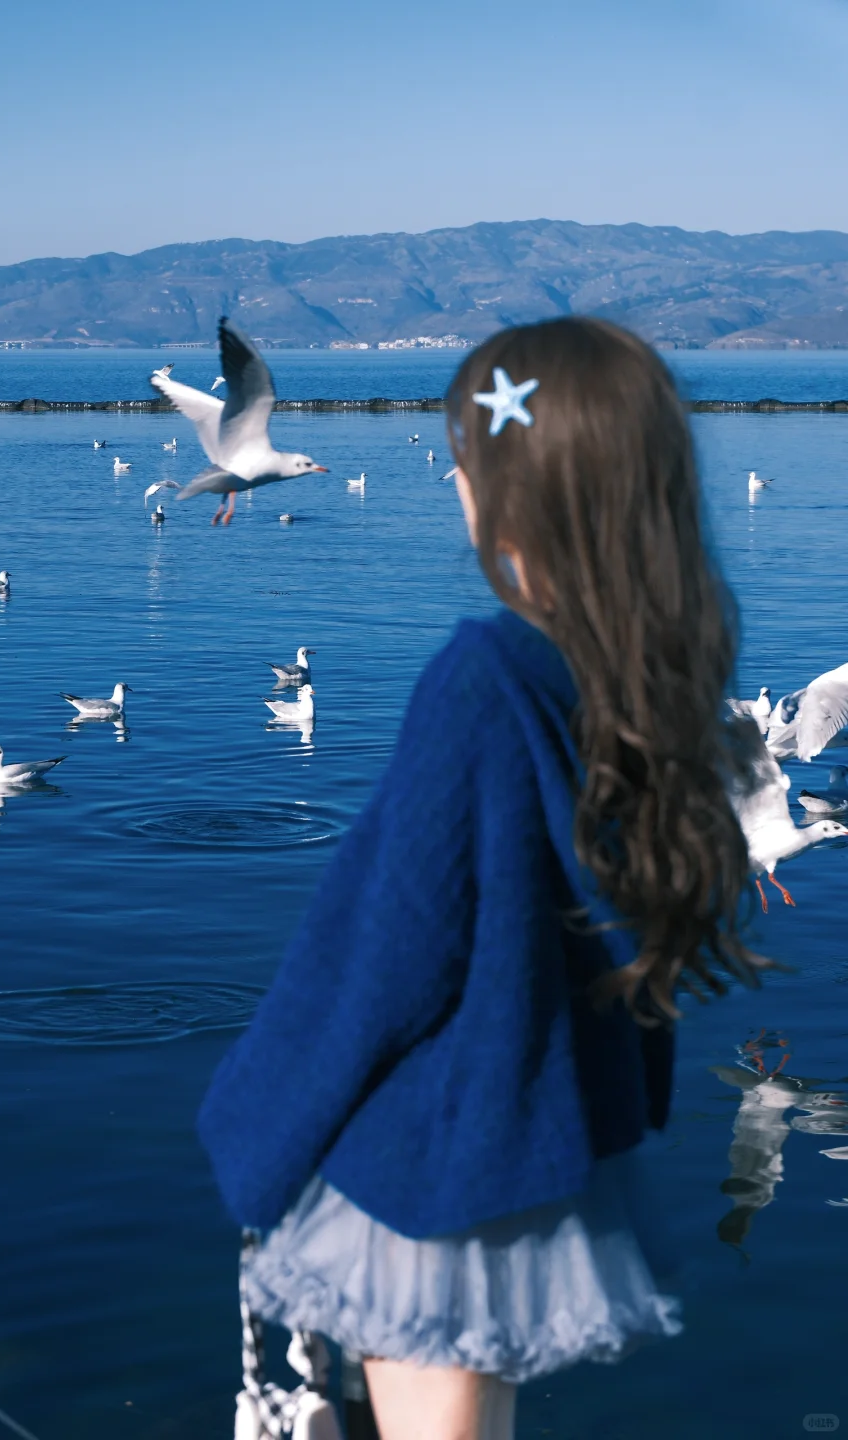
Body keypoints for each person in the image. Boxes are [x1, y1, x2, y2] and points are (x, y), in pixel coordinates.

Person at [198, 317, 763, 1440]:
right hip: (540, 1138)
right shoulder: (639, 684)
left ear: (506, 500)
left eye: (468, 459)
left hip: (430, 1154)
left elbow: (386, 952)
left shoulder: (482, 682)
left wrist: (257, 1127)